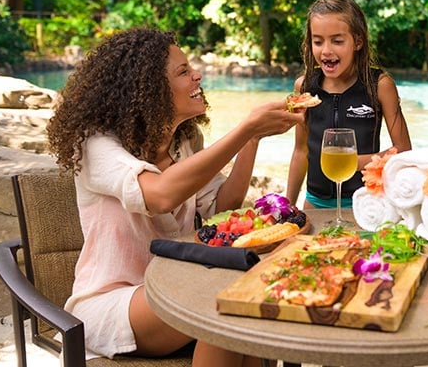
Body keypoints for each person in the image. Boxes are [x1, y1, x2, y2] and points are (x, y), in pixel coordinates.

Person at [46, 27, 303, 366]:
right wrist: (245, 128)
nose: (197, 75)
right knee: (226, 305)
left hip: (181, 285)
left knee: (245, 302)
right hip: (114, 303)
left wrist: (251, 141)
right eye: (183, 71)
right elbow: (160, 195)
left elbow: (221, 206)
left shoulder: (185, 141)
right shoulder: (95, 144)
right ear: (149, 89)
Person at [286, 0, 412, 210]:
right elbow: (300, 151)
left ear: (358, 42)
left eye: (337, 41)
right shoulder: (305, 87)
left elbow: (403, 150)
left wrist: (351, 162)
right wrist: (287, 204)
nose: (326, 50)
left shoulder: (380, 85)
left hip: (366, 201)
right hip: (315, 202)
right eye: (318, 41)